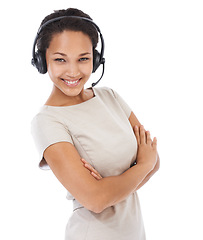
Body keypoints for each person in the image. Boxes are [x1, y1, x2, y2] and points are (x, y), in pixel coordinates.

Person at [31, 8, 160, 240]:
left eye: (84, 58)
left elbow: (155, 161)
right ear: (41, 61)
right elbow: (95, 200)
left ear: (96, 59)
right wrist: (140, 166)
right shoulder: (47, 122)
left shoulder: (110, 96)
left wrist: (110, 187)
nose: (73, 71)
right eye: (60, 59)